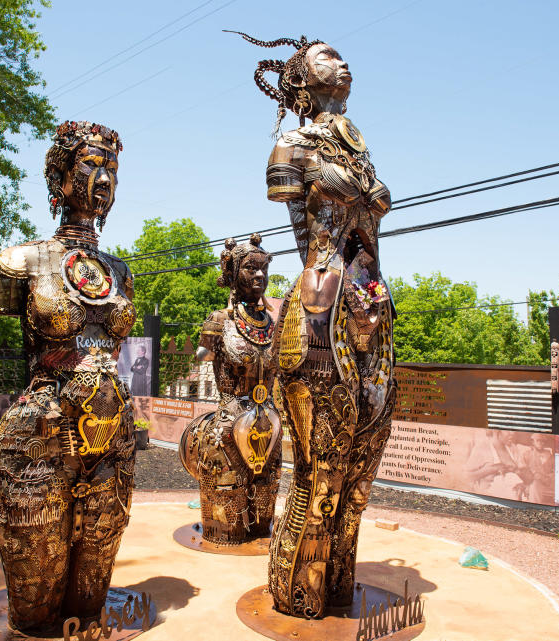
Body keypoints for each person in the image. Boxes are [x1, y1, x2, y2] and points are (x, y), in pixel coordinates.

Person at [231, 32, 395, 617]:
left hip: (371, 301)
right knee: (319, 467)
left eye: (343, 54)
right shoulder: (293, 145)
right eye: (328, 55)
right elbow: (306, 224)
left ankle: (340, 581)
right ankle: (298, 590)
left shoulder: (361, 147)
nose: (343, 60)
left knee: (360, 469)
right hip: (320, 306)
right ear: (301, 76)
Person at [0, 121, 136, 634]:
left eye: (111, 168)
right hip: (40, 432)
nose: (103, 178)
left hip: (112, 433)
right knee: (35, 596)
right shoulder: (22, 261)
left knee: (90, 597)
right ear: (60, 176)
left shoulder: (119, 270)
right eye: (90, 165)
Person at [179, 234, 282, 544]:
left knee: (265, 520)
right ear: (234, 272)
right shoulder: (219, 321)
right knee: (228, 528)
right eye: (251, 268)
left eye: (263, 268)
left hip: (269, 427)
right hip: (227, 430)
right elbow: (202, 356)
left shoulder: (273, 326)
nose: (260, 275)